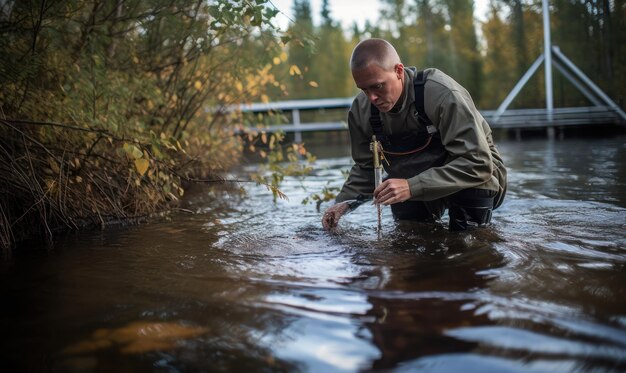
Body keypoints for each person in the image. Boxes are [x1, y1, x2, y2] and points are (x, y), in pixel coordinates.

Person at [321, 38, 507, 231]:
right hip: (414, 182)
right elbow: (365, 167)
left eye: (377, 86)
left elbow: (478, 163)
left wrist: (411, 186)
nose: (372, 98)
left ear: (399, 71)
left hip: (477, 179)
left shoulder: (442, 94)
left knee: (468, 245)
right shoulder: (361, 110)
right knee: (411, 242)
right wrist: (342, 204)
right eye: (364, 89)